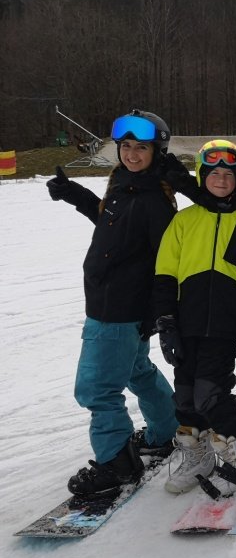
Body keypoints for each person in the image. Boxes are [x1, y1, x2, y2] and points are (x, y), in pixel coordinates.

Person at [45, 110, 180, 496]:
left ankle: (116, 464)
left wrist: (157, 312)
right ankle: (166, 431)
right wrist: (75, 194)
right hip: (114, 302)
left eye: (141, 148)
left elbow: (166, 261)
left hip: (118, 309)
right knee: (137, 371)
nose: (132, 154)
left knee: (97, 389)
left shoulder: (154, 199)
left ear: (157, 152)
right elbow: (111, 223)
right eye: (126, 146)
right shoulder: (126, 184)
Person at [153, 140, 236, 497]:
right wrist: (166, 322)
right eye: (213, 173)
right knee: (185, 396)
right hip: (186, 321)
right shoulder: (184, 220)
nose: (220, 179)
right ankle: (198, 456)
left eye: (228, 174)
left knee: (210, 394)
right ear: (201, 177)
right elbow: (165, 274)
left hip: (225, 325)